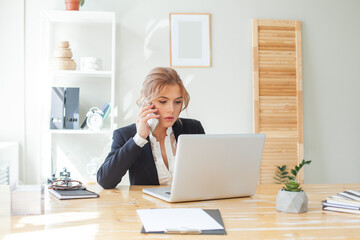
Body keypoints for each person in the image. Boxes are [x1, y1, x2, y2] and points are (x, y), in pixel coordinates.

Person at [97, 67, 205, 189]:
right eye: (163, 101)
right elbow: (105, 181)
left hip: (189, 205)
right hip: (147, 206)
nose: (172, 109)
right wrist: (139, 139)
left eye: (177, 102)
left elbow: (209, 173)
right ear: (146, 102)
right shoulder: (126, 135)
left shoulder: (193, 129)